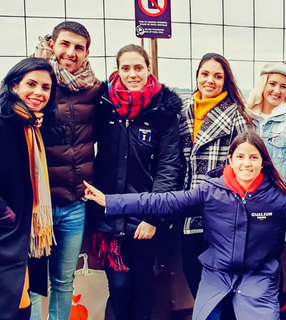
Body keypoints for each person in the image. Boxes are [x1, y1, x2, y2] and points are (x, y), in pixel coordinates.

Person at [83, 131, 286, 320]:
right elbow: (161, 202)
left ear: (263, 162)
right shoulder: (210, 191)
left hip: (259, 276)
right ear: (231, 160)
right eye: (240, 157)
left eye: (253, 158)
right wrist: (110, 201)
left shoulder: (277, 200)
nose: (247, 164)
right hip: (217, 273)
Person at [88, 44, 183, 320]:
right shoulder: (102, 105)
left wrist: (153, 216)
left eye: (138, 67)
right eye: (125, 68)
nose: (132, 74)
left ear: (148, 70)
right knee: (118, 285)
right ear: (117, 70)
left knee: (144, 283)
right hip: (106, 213)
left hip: (144, 217)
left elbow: (169, 166)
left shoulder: (163, 111)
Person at [30, 21, 104, 320]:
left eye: (78, 47)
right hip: (38, 205)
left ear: (87, 53)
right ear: (52, 45)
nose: (70, 53)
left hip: (75, 203)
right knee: (34, 286)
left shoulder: (95, 90)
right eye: (64, 44)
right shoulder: (38, 85)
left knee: (63, 282)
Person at [179, 53, 251, 299]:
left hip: (222, 212)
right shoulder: (182, 110)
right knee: (192, 272)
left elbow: (247, 165)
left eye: (218, 76)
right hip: (187, 208)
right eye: (205, 74)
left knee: (223, 280)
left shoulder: (236, 115)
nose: (210, 81)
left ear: (225, 81)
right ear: (197, 76)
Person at [247, 63, 286, 319]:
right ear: (263, 84)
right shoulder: (246, 116)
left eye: (283, 86)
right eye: (272, 83)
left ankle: (279, 310)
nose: (276, 90)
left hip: (275, 206)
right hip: (244, 204)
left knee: (270, 263)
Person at [0, 57, 57, 320]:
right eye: (31, 84)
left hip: (18, 231)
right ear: (13, 86)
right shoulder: (4, 122)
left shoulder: (29, 125)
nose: (39, 93)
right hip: (7, 231)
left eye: (46, 87)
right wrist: (5, 214)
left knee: (20, 301)